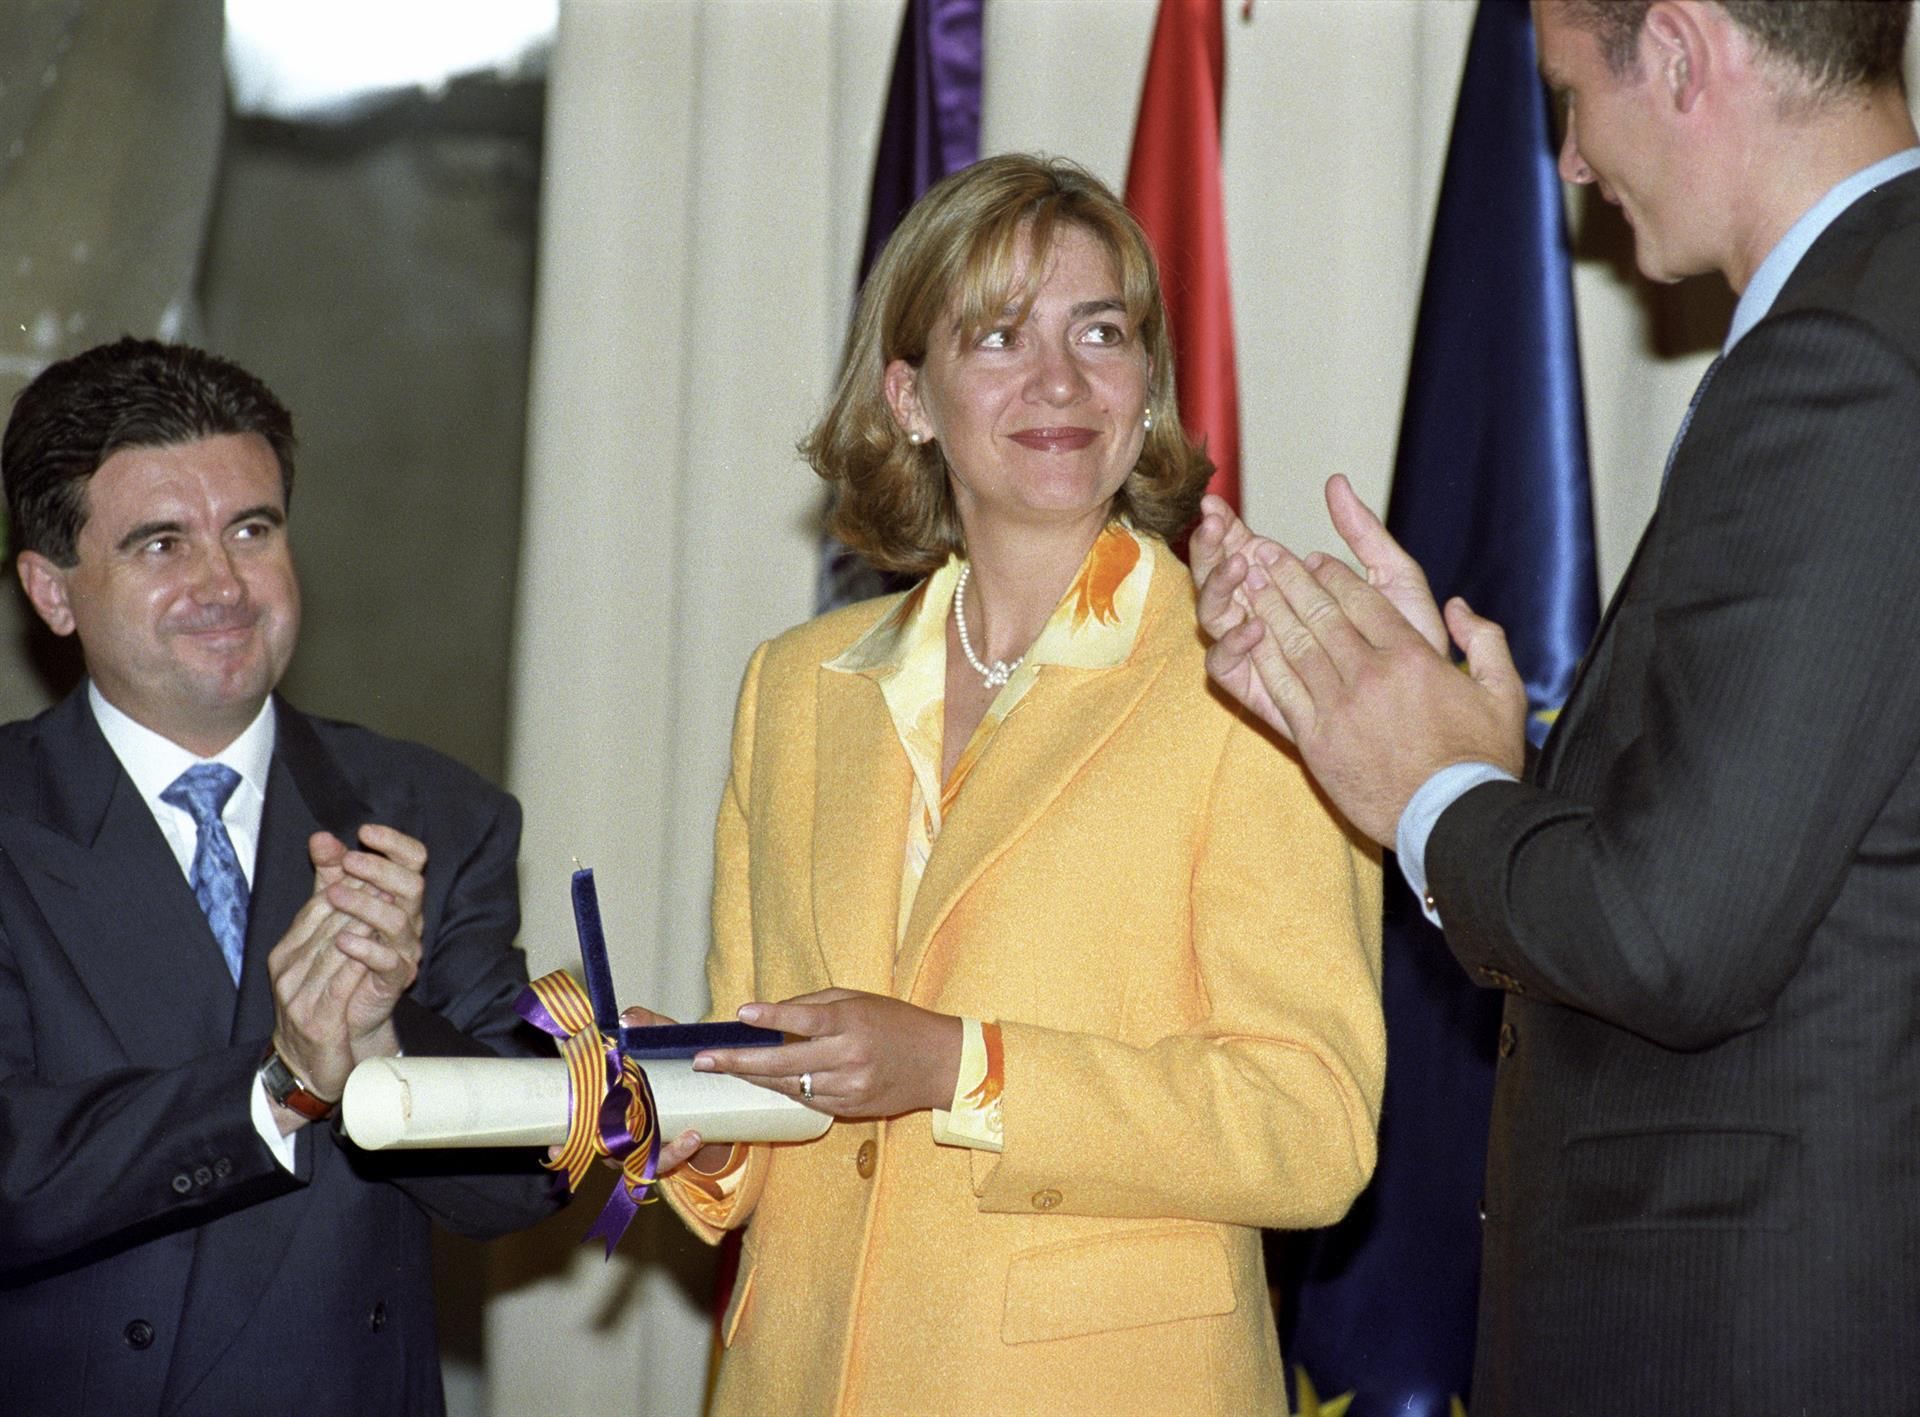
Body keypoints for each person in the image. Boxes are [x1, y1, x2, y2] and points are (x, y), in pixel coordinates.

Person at [1192, 2, 1920, 1411]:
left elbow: (1672, 936)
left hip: (1751, 1340)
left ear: (1686, 51)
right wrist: (1493, 757)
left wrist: (1430, 794)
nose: (1572, 163)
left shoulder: (1849, 362)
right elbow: (1765, 846)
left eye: (1570, 97)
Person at [624, 154, 1386, 1414]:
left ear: (1147, 389)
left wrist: (966, 1067)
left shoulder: (1251, 676)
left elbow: (1308, 1127)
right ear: (910, 398)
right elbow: (777, 1095)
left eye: (1102, 332)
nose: (1063, 381)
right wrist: (678, 1111)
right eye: (999, 336)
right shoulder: (796, 686)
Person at [0, 338, 559, 1415]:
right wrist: (282, 1083)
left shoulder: (434, 814)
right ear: (52, 591)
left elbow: (519, 1182)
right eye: (160, 543)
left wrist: (387, 1041)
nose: (223, 584)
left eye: (251, 529)